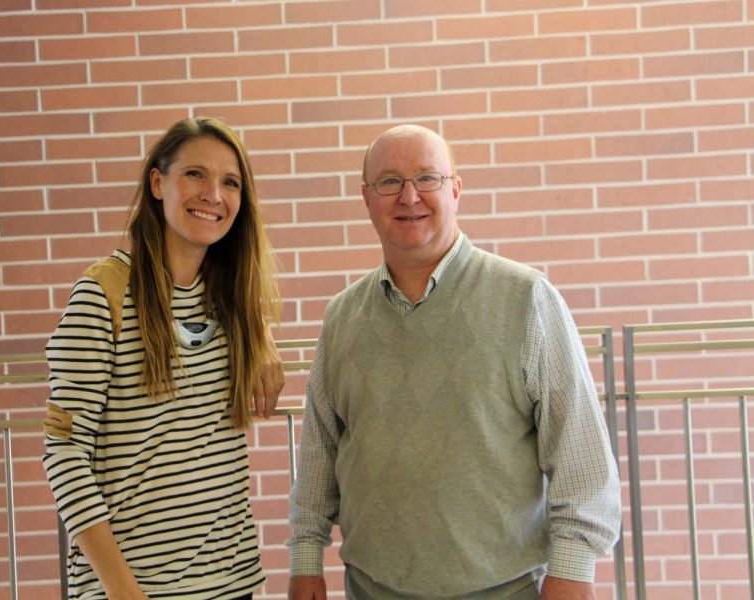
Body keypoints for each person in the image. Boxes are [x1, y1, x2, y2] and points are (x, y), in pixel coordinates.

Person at [287, 124, 621, 600]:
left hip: (506, 589)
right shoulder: (342, 316)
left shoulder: (526, 299)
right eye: (389, 182)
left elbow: (579, 449)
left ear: (456, 190)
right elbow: (321, 448)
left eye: (427, 178)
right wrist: (306, 557)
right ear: (366, 198)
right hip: (370, 588)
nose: (409, 196)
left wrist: (573, 570)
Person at [43, 116, 283, 600]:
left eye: (230, 182)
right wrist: (123, 590)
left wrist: (262, 334)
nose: (213, 194)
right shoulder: (102, 294)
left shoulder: (232, 300)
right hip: (135, 590)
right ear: (158, 182)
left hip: (232, 583)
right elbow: (65, 454)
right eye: (195, 174)